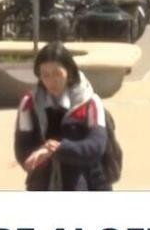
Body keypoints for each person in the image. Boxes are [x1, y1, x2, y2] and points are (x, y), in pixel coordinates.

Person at [14, 42, 112, 191]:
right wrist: (41, 157)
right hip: (43, 183)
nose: (51, 81)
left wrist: (58, 149)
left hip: (87, 182)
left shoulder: (90, 102)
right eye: (45, 75)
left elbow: (96, 145)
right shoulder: (29, 103)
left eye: (57, 74)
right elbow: (23, 149)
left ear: (69, 72)